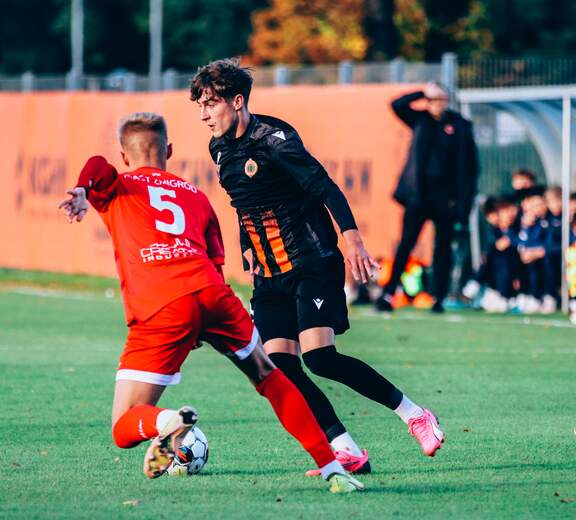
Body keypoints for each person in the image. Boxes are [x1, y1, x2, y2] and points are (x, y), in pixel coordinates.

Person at [58, 112, 364, 493]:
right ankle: (334, 469)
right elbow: (215, 260)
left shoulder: (119, 186)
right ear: (169, 151)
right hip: (214, 295)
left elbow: (96, 166)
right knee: (271, 377)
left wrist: (82, 189)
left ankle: (168, 423)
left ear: (124, 156)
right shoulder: (195, 196)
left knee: (124, 425)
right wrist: (202, 324)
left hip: (162, 303)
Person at [189, 59, 445, 476]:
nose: (204, 114)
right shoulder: (218, 148)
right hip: (269, 274)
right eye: (200, 105)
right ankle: (346, 449)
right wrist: (247, 247)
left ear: (236, 101)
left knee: (321, 357)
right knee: (281, 367)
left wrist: (353, 239)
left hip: (312, 261)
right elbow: (243, 204)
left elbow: (324, 186)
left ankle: (414, 414)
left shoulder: (275, 139)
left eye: (210, 104)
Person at [375, 81, 479, 314]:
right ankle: (388, 294)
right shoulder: (420, 120)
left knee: (443, 248)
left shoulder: (459, 126)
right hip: (418, 196)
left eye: (441, 99)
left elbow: (470, 167)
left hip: (447, 199)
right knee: (406, 245)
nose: (437, 104)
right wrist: (423, 92)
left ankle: (437, 297)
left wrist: (463, 202)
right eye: (433, 99)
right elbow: (397, 105)